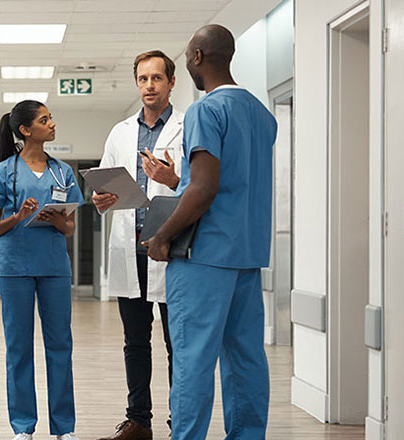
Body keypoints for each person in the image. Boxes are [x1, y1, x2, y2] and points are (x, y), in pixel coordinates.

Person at [143, 25, 278, 440]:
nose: (187, 63)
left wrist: (162, 236)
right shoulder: (262, 115)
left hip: (203, 256)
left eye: (186, 57)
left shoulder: (206, 110)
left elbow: (204, 188)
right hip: (247, 255)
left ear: (198, 56)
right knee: (246, 359)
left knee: (194, 361)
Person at [92, 50, 184, 440]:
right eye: (143, 79)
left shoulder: (187, 127)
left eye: (157, 78)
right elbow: (105, 182)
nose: (149, 85)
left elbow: (198, 186)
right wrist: (101, 198)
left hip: (171, 250)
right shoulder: (120, 132)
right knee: (135, 342)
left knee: (177, 343)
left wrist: (172, 179)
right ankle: (139, 421)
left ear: (171, 83)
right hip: (131, 250)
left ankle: (180, 421)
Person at [0, 100, 84, 440]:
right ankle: (23, 426)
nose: (52, 123)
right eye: (44, 120)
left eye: (50, 117)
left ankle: (64, 427)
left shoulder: (62, 172)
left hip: (54, 267)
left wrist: (57, 220)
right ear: (26, 130)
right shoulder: (5, 172)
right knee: (19, 348)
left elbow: (70, 229)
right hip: (15, 268)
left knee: (61, 346)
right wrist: (18, 218)